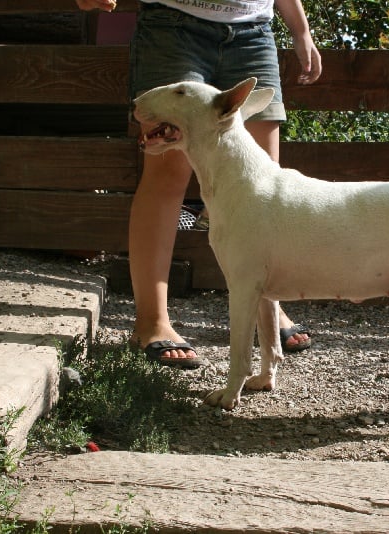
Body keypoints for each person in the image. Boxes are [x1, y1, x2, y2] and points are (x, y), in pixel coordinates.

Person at [76, 0, 322, 368]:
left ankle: (266, 314)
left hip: (253, 31)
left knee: (263, 186)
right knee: (166, 175)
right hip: (174, 26)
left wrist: (301, 30)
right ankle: (152, 323)